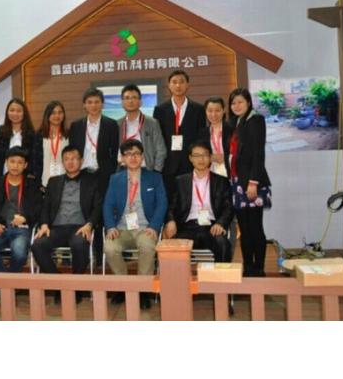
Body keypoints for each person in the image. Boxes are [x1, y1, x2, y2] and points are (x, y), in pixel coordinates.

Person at [31, 146, 102, 302]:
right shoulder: (54, 181)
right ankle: (61, 285)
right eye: (67, 159)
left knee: (79, 243)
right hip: (56, 228)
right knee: (37, 245)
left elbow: (98, 207)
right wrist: (44, 224)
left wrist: (89, 224)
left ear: (81, 161)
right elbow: (45, 206)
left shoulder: (92, 181)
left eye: (74, 158)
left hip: (79, 227)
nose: (70, 162)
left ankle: (75, 287)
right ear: (62, 162)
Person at [103, 139, 167, 310]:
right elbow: (107, 205)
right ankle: (123, 286)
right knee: (110, 248)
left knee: (147, 246)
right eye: (128, 154)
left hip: (145, 228)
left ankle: (143, 290)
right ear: (122, 158)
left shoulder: (154, 178)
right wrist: (110, 227)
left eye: (137, 154)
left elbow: (162, 204)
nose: (133, 157)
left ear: (142, 157)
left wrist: (154, 226)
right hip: (121, 229)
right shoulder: (115, 179)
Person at [69, 88, 119, 262]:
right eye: (90, 102)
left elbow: (114, 152)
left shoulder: (111, 125)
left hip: (104, 174)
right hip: (83, 175)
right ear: (84, 105)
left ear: (102, 104)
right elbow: (73, 151)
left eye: (97, 102)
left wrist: (111, 172)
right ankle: (85, 252)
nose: (94, 105)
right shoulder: (76, 126)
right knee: (86, 210)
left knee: (103, 211)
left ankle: (101, 253)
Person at [228, 88, 272, 277]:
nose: (236, 106)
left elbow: (258, 154)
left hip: (252, 182)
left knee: (255, 228)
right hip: (237, 182)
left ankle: (259, 268)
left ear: (248, 102)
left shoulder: (256, 120)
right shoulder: (236, 122)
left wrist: (253, 182)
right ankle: (248, 267)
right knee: (244, 229)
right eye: (233, 103)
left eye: (240, 102)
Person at [165, 140, 233, 262]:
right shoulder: (180, 181)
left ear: (210, 157)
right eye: (196, 155)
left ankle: (221, 275)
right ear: (190, 158)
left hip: (211, 227)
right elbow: (171, 206)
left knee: (223, 245)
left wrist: (221, 223)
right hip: (187, 227)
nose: (201, 159)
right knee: (172, 248)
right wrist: (170, 221)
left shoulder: (222, 181)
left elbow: (228, 207)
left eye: (205, 155)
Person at [0, 147, 42, 273]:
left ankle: (8, 280)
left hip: (22, 230)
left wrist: (25, 218)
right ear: (6, 162)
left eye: (19, 162)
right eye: (12, 161)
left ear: (25, 165)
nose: (15, 166)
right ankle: (7, 280)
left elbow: (39, 210)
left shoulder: (33, 185)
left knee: (19, 251)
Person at [153, 69, 206, 198]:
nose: (178, 85)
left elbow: (201, 138)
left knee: (190, 199)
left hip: (190, 164)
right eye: (174, 82)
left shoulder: (198, 109)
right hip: (168, 164)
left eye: (182, 82)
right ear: (169, 85)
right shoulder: (160, 110)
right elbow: (157, 139)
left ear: (187, 85)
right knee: (170, 200)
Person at [0, 98, 39, 182]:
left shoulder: (32, 135)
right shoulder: (0, 131)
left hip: (25, 181)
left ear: (24, 113)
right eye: (12, 110)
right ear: (7, 112)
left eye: (19, 111)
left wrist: (33, 177)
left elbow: (36, 160)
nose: (15, 113)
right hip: (1, 179)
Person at [116, 84, 166, 173]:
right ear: (122, 103)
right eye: (127, 98)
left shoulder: (152, 123)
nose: (130, 101)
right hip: (123, 170)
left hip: (146, 169)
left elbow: (161, 150)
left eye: (134, 97)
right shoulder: (117, 124)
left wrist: (156, 171)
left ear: (140, 102)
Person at [31, 100, 70, 189]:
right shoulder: (39, 136)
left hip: (65, 183)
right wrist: (37, 183)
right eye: (53, 113)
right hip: (44, 183)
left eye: (60, 112)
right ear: (47, 115)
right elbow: (35, 161)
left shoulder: (69, 135)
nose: (57, 116)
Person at [197, 96, 232, 178]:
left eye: (217, 110)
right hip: (211, 172)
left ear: (224, 110)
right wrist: (210, 157)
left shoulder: (232, 129)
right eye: (210, 111)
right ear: (205, 111)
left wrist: (226, 158)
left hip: (231, 172)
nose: (214, 114)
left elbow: (241, 153)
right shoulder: (202, 133)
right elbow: (199, 153)